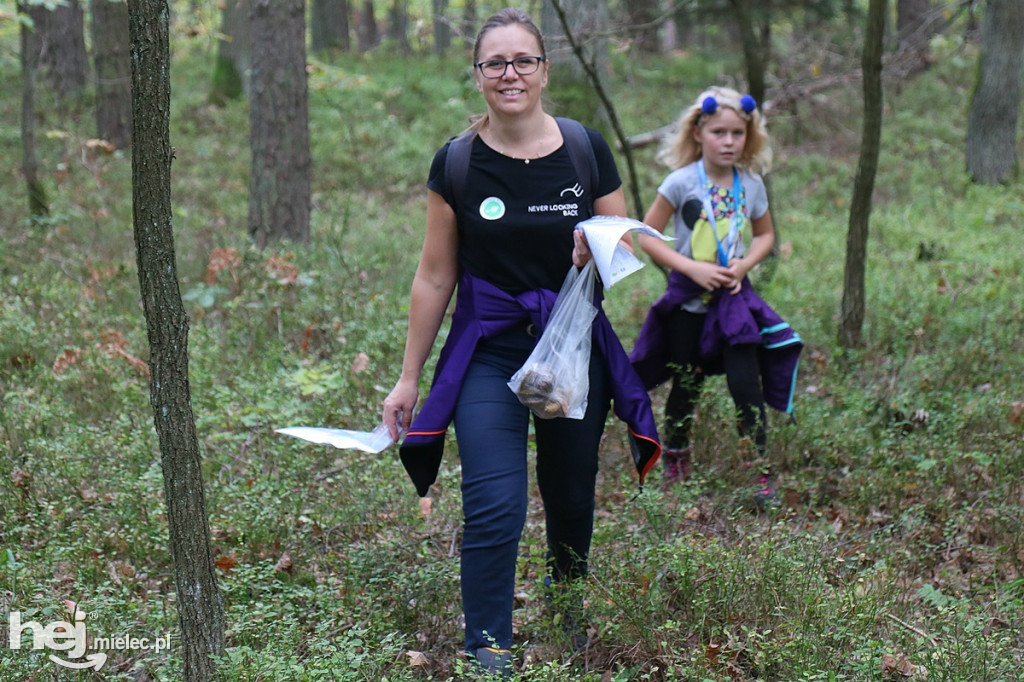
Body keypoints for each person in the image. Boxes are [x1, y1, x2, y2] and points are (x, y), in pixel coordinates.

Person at [381, 8, 661, 677]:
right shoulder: (456, 163)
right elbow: (434, 273)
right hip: (491, 351)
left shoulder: (585, 147)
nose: (510, 74)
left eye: (523, 61)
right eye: (495, 63)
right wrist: (408, 376)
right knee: (494, 500)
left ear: (544, 70)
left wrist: (597, 247)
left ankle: (569, 620)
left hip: (571, 350)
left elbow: (624, 238)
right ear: (478, 75)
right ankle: (490, 647)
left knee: (570, 493)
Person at [630, 86, 802, 508]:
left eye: (737, 134)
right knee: (686, 384)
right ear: (698, 132)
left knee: (747, 384)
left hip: (733, 303)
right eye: (719, 132)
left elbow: (764, 236)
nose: (728, 142)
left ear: (749, 136)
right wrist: (690, 267)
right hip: (688, 302)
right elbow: (646, 237)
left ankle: (757, 469)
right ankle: (675, 455)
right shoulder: (680, 182)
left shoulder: (752, 184)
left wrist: (744, 266)